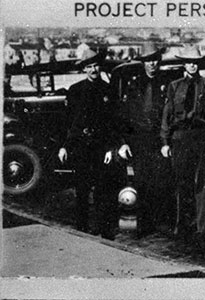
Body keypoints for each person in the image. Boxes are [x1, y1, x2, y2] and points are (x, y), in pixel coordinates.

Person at [58, 49, 129, 240]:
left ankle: (103, 227)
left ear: (100, 66)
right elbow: (70, 122)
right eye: (88, 66)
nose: (93, 70)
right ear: (84, 69)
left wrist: (111, 147)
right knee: (82, 187)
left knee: (102, 188)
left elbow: (114, 122)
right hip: (81, 145)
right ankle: (81, 226)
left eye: (96, 65)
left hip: (101, 146)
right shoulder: (75, 91)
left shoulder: (108, 90)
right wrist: (65, 146)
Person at [160, 45, 205, 241]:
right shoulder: (174, 86)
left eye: (196, 62)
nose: (192, 65)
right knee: (180, 183)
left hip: (199, 137)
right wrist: (165, 141)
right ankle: (181, 225)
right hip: (179, 138)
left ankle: (202, 228)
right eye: (189, 62)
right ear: (183, 63)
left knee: (202, 184)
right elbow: (167, 116)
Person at [119, 42, 174, 236]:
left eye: (155, 60)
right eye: (149, 61)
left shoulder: (166, 82)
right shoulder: (134, 84)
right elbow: (126, 116)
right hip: (139, 140)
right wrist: (124, 142)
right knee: (141, 181)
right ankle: (143, 223)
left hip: (159, 139)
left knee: (161, 180)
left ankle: (162, 221)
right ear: (143, 63)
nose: (152, 64)